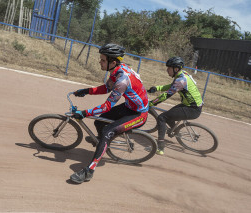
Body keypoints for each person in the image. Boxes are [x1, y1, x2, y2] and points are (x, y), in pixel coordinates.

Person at [70, 43, 149, 184]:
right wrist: (87, 90)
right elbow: (107, 88)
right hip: (129, 107)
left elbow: (106, 106)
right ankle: (103, 143)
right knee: (98, 121)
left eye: (102, 60)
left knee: (107, 132)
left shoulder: (122, 80)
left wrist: (84, 113)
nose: (99, 62)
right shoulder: (117, 71)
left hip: (139, 115)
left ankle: (89, 171)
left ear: (113, 62)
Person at [147, 56, 203, 155]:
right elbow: (171, 86)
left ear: (176, 69)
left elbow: (166, 95)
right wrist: (157, 88)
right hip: (190, 105)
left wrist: (151, 103)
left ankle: (160, 147)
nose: (167, 70)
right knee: (169, 115)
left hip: (192, 109)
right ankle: (175, 131)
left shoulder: (181, 80)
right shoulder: (182, 75)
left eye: (169, 68)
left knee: (162, 118)